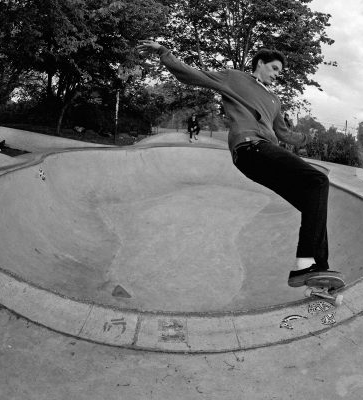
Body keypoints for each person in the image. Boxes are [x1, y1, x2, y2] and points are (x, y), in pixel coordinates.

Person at [137, 40, 338, 285]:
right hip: (250, 148)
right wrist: (164, 52)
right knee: (318, 179)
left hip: (264, 157)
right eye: (274, 69)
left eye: (280, 73)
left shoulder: (275, 101)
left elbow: (284, 134)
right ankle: (305, 265)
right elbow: (192, 75)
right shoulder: (234, 78)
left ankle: (316, 272)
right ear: (260, 64)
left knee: (313, 198)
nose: (277, 76)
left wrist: (307, 137)